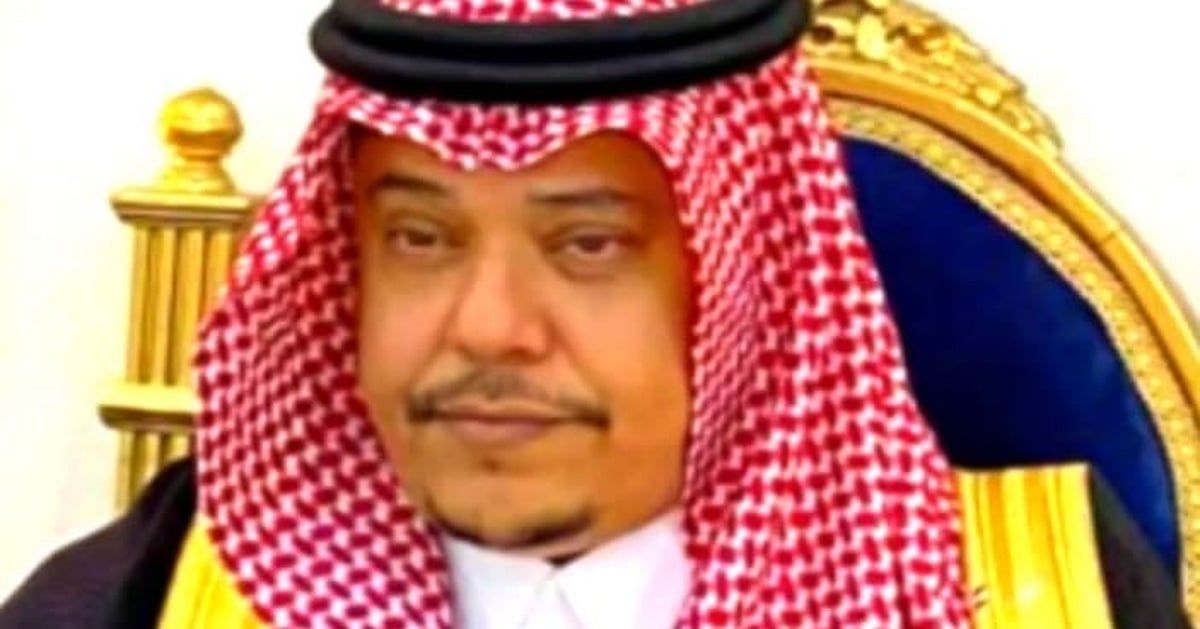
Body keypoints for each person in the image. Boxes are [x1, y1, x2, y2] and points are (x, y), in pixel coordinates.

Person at [1, 0, 1190, 627]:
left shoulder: (1047, 596)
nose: (488, 325)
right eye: (420, 238)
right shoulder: (144, 598)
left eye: (588, 244)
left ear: (743, 288)